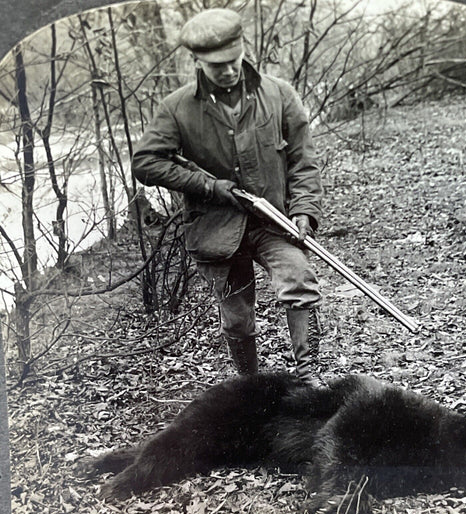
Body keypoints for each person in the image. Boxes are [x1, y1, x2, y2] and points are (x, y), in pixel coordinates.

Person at [132, 8, 323, 385]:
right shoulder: (177, 108)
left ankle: (309, 376)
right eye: (218, 66)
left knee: (299, 279)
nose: (230, 71)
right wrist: (210, 187)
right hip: (216, 230)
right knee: (237, 317)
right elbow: (146, 163)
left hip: (274, 222)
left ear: (242, 49)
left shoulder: (278, 93)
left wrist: (304, 210)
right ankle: (249, 385)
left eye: (234, 61)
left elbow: (303, 159)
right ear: (198, 62)